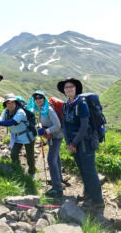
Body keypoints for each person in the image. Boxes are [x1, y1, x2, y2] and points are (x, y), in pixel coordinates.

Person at [57, 77, 105, 208]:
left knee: (89, 170)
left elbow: (84, 126)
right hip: (73, 142)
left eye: (71, 86)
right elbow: (65, 125)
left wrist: (74, 143)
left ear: (76, 88)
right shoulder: (67, 104)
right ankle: (88, 191)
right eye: (66, 87)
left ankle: (98, 200)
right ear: (64, 90)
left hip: (85, 142)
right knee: (82, 169)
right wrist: (68, 142)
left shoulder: (81, 103)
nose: (69, 89)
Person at [0, 93, 36, 178]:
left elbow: (12, 122)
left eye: (12, 102)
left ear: (16, 103)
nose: (11, 105)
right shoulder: (5, 112)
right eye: (8, 103)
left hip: (27, 135)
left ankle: (31, 171)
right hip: (17, 136)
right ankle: (18, 169)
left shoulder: (20, 111)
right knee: (13, 155)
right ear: (6, 104)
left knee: (30, 155)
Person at [26, 90, 64, 197]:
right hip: (53, 136)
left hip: (56, 136)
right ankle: (59, 179)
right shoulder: (41, 109)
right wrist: (40, 127)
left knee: (51, 159)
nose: (38, 99)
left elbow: (57, 124)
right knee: (56, 157)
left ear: (44, 98)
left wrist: (46, 131)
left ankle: (57, 188)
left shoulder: (49, 110)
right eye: (36, 98)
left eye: (40, 97)